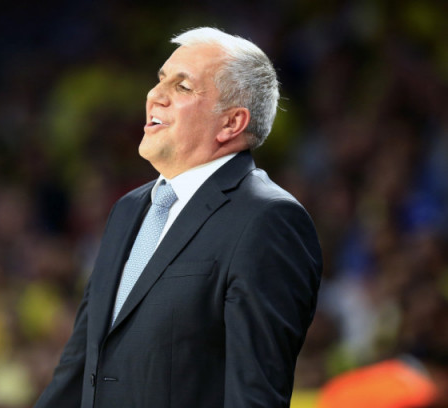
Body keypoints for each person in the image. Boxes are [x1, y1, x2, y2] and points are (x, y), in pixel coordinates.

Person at [33, 26, 322, 408]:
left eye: (182, 87)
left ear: (231, 123)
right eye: (160, 80)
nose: (154, 95)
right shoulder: (127, 209)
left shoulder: (267, 219)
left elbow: (254, 395)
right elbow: (79, 368)